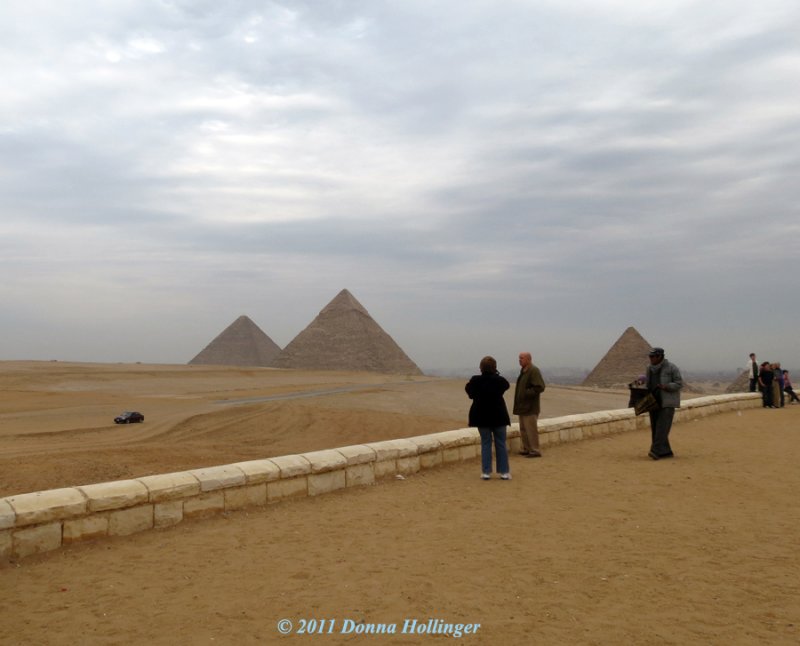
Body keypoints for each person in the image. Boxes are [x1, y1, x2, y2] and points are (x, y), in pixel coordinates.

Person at [465, 356, 511, 480]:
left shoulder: (475, 381)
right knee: (500, 443)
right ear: (495, 367)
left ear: (481, 367)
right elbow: (506, 386)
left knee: (485, 443)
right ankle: (504, 472)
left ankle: (486, 472)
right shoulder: (500, 381)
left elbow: (469, 392)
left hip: (481, 417)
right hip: (499, 416)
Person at [645, 347, 683, 460]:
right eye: (649, 356)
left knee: (662, 428)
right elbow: (648, 384)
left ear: (660, 356)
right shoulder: (649, 368)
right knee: (656, 428)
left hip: (667, 402)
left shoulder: (672, 367)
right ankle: (666, 452)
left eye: (652, 356)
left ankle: (655, 451)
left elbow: (679, 383)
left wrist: (666, 386)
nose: (650, 359)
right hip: (653, 402)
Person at [513, 351, 546, 458]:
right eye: (519, 358)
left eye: (522, 358)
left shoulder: (533, 370)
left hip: (530, 407)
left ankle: (535, 450)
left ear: (528, 359)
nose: (519, 360)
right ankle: (526, 448)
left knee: (531, 429)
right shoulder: (524, 371)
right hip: (522, 407)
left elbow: (540, 387)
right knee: (523, 429)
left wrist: (527, 393)